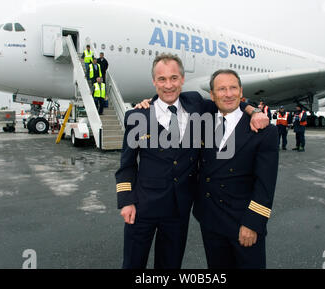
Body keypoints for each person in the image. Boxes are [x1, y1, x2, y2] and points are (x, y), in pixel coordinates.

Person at [115, 53, 269, 269]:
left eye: (174, 78)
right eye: (162, 79)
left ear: (182, 79)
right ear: (154, 81)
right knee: (133, 264)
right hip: (142, 208)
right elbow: (127, 165)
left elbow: (227, 101)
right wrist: (126, 201)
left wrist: (254, 110)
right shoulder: (137, 117)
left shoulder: (196, 104)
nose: (168, 85)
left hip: (178, 210)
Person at [192, 69, 279, 269]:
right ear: (212, 95)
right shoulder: (203, 122)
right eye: (221, 89)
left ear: (241, 92)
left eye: (233, 88)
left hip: (243, 223)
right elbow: (174, 97)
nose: (228, 94)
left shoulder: (264, 132)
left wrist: (253, 223)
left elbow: (265, 184)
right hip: (210, 221)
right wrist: (148, 102)